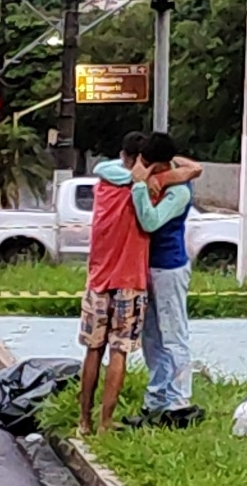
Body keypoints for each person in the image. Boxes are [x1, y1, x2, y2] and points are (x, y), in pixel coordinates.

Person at [77, 132, 151, 435]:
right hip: (130, 281)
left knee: (93, 350)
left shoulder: (103, 189)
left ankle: (84, 421)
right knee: (118, 351)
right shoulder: (144, 191)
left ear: (123, 155)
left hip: (98, 280)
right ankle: (106, 422)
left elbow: (104, 167)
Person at [129, 132, 203, 427]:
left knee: (173, 335)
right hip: (148, 267)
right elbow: (191, 165)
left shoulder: (178, 192)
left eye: (148, 164)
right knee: (151, 337)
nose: (143, 168)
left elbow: (150, 221)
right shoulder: (164, 178)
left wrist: (138, 184)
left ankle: (178, 400)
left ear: (161, 165)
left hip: (169, 268)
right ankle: (157, 397)